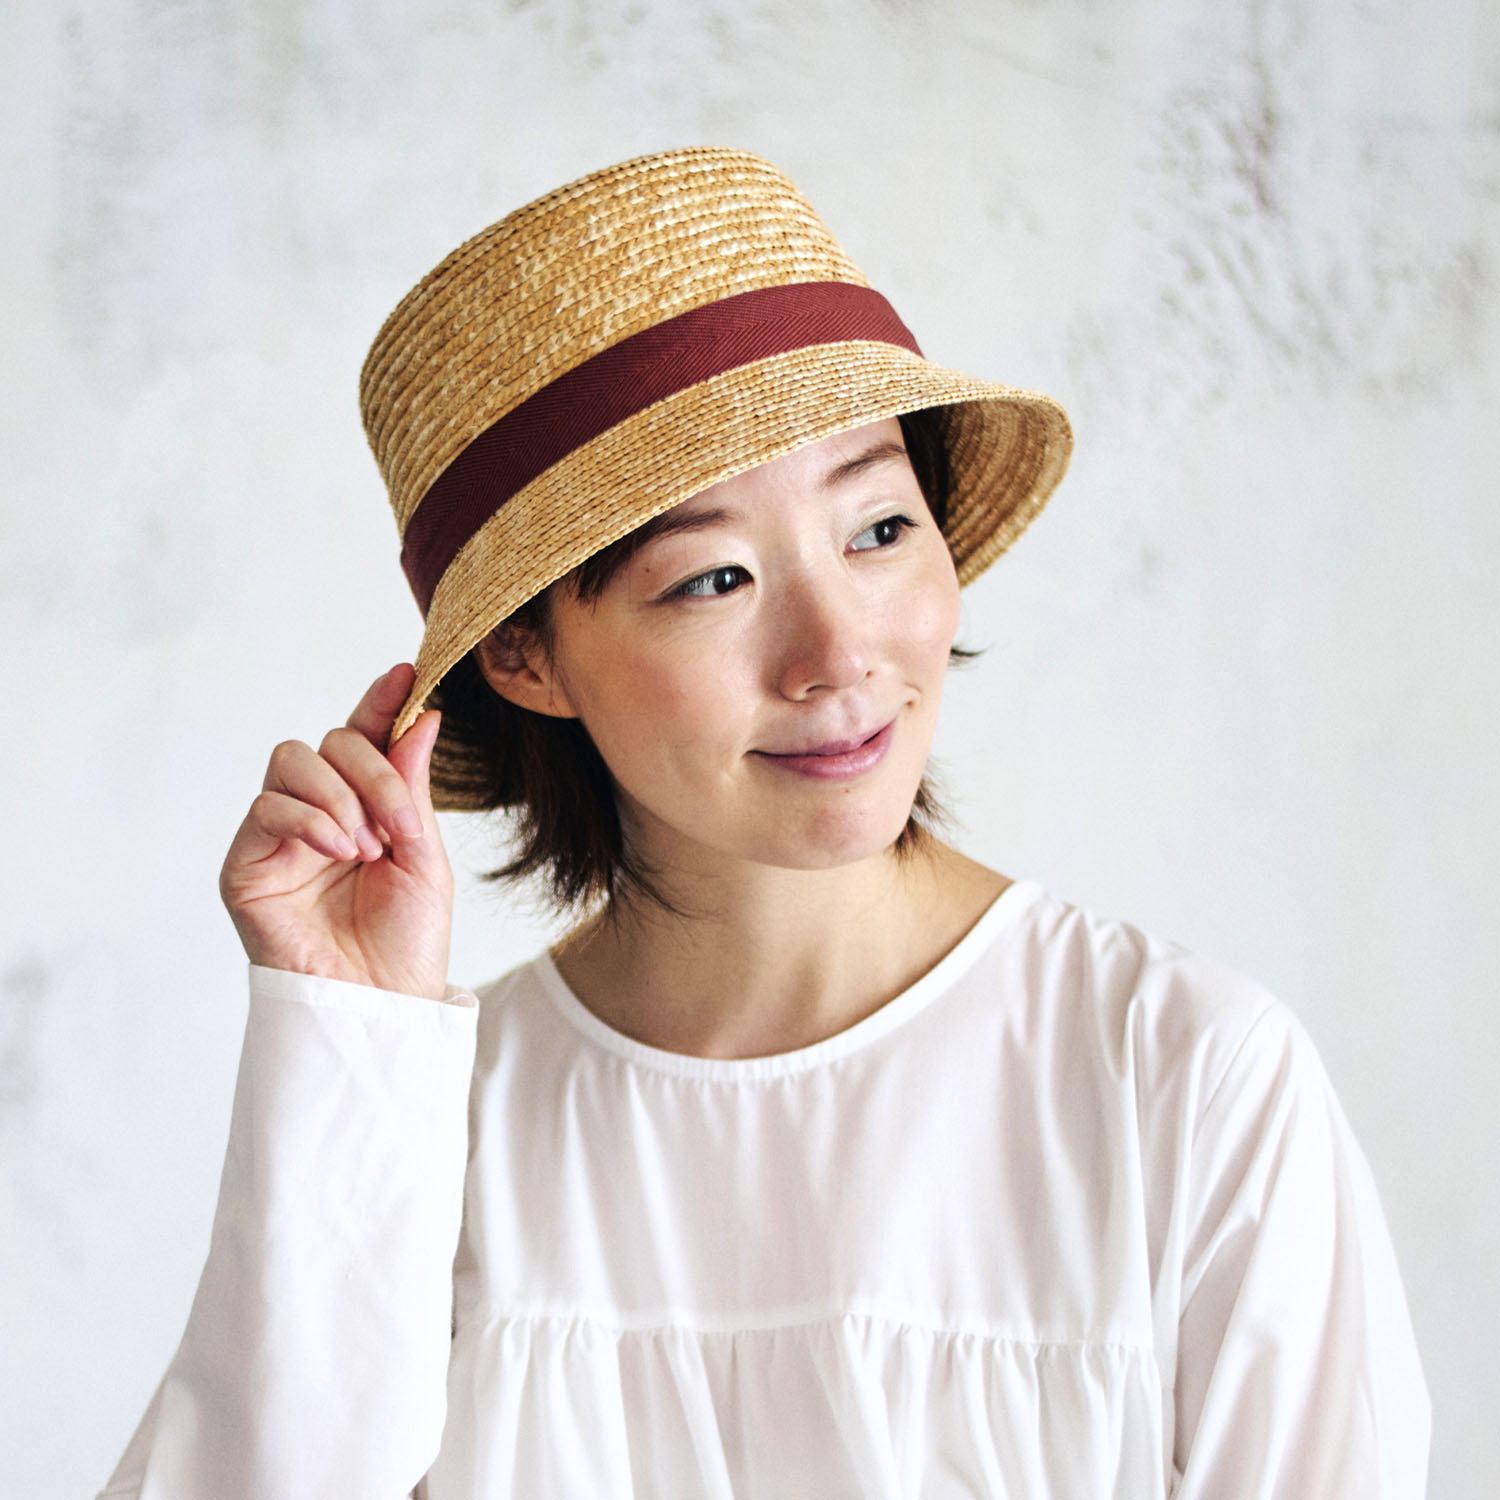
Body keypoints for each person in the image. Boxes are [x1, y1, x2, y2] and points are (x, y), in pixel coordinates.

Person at [100, 148, 1429, 1499]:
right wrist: (347, 1042)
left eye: (878, 528)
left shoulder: (1178, 1077)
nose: (838, 654)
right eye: (713, 577)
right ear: (524, 656)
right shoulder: (430, 1130)